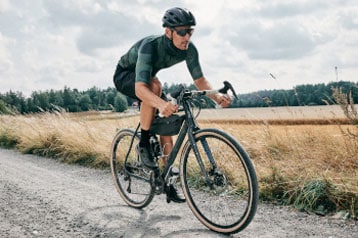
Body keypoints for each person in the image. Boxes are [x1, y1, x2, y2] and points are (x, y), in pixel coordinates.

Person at [113, 7, 232, 203]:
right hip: (125, 75)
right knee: (155, 86)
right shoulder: (150, 46)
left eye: (190, 31)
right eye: (182, 32)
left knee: (167, 119)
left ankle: (167, 182)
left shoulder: (189, 49)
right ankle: (144, 143)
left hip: (148, 78)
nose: (187, 37)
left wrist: (216, 96)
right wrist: (160, 103)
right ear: (168, 32)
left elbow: (200, 80)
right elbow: (142, 89)